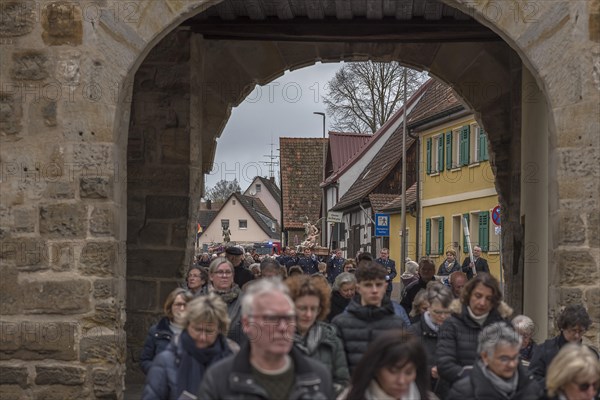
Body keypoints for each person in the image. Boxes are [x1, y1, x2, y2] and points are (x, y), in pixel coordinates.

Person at [198, 279, 334, 399]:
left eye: (288, 318)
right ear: (247, 324)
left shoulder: (318, 377)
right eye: (272, 318)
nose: (283, 327)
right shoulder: (219, 379)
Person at [142, 293, 236, 400]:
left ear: (219, 330)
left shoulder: (233, 359)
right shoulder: (167, 361)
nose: (202, 337)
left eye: (209, 331)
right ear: (187, 325)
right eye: (197, 330)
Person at [437, 273, 513, 388]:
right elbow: (445, 365)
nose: (482, 303)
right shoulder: (451, 324)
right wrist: (479, 379)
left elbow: (513, 363)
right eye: (478, 296)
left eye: (488, 298)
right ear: (468, 295)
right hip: (458, 391)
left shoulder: (504, 326)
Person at [332, 261, 406, 372]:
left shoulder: (396, 322)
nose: (374, 290)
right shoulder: (341, 323)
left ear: (385, 286)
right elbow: (337, 367)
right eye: (368, 285)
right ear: (358, 288)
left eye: (379, 284)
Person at [286, 275, 350, 395]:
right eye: (303, 308)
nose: (308, 314)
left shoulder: (331, 339)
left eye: (314, 308)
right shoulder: (279, 339)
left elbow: (342, 381)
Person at [446, 322, 541, 400]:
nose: (512, 364)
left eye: (515, 357)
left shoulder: (531, 387)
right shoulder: (463, 392)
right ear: (485, 357)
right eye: (504, 359)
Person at [338, 330, 437, 400]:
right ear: (376, 369)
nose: (401, 381)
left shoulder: (428, 397)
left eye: (408, 372)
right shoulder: (350, 397)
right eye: (393, 371)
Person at [529, 304, 598, 382]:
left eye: (581, 331)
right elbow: (532, 381)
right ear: (563, 328)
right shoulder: (544, 350)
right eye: (573, 330)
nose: (577, 335)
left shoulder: (590, 354)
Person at [409, 283, 453, 397]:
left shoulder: (458, 330)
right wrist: (429, 371)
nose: (443, 316)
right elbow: (405, 364)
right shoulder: (412, 332)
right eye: (437, 312)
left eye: (447, 312)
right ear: (429, 308)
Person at [140, 288, 192, 375]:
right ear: (170, 307)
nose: (182, 308)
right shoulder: (156, 331)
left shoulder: (198, 332)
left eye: (186, 305)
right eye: (178, 304)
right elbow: (145, 360)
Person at [206, 257, 243, 343]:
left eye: (228, 272)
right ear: (211, 276)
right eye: (220, 272)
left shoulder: (245, 301)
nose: (224, 276)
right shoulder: (200, 299)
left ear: (233, 276)